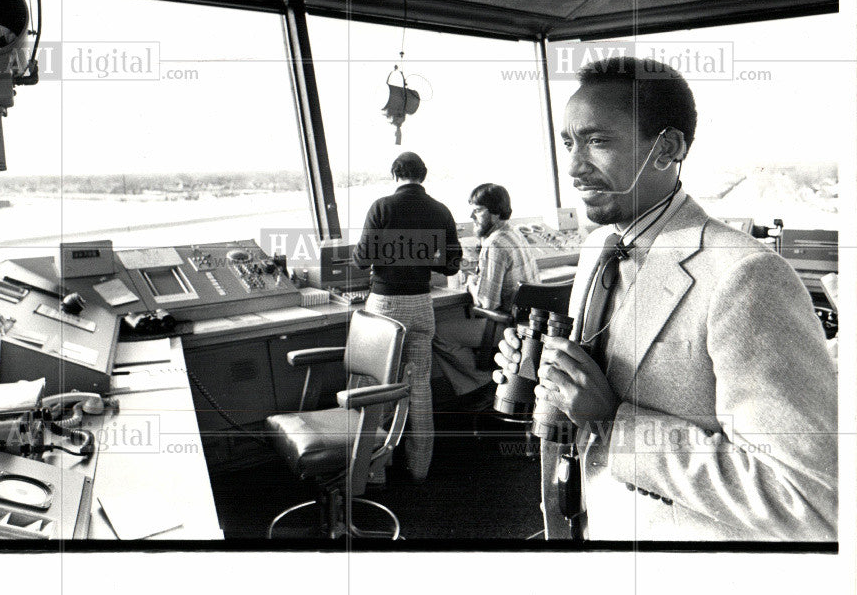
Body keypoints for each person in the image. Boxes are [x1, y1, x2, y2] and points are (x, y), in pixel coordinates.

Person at [495, 56, 837, 541]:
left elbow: (809, 500)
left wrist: (614, 421)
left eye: (597, 141)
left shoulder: (746, 276)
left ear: (668, 148)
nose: (573, 166)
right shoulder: (599, 249)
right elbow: (587, 397)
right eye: (569, 143)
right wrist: (545, 376)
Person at [353, 152, 462, 481]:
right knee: (420, 388)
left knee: (378, 386)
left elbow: (361, 258)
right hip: (421, 305)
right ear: (423, 175)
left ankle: (376, 470)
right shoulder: (440, 210)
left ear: (394, 174)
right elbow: (451, 265)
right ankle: (419, 468)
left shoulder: (382, 207)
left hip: (386, 306)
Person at [433, 183, 541, 397]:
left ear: (496, 213)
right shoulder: (514, 234)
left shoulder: (495, 243)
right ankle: (488, 385)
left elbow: (485, 303)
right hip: (529, 327)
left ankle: (483, 384)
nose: (472, 216)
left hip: (506, 327)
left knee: (437, 333)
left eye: (478, 210)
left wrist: (472, 282)